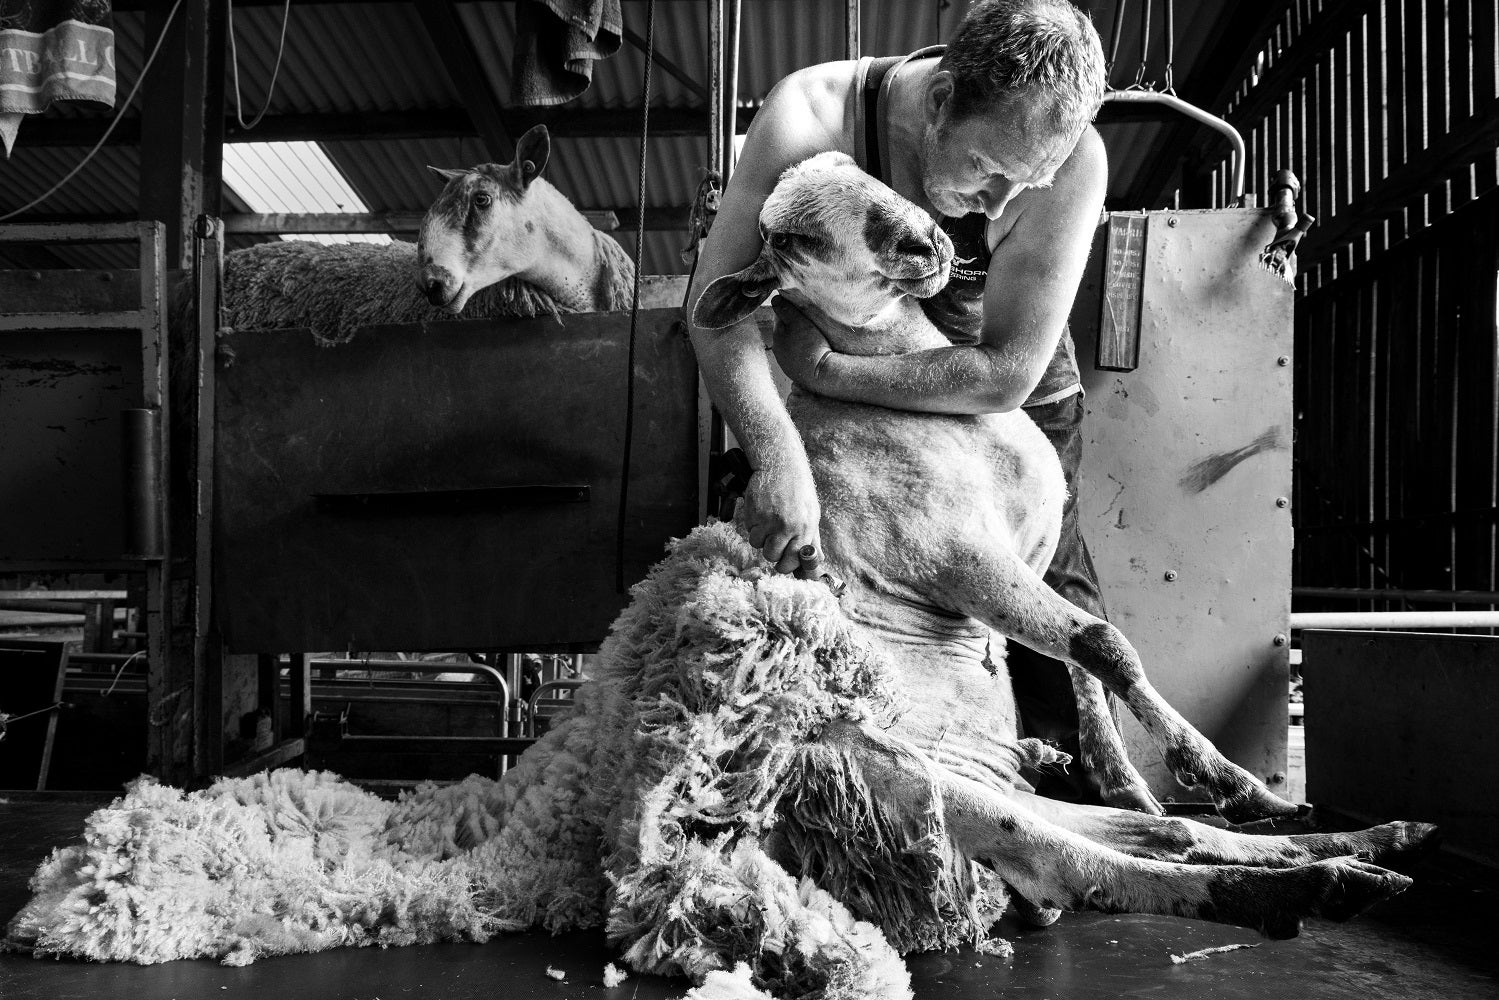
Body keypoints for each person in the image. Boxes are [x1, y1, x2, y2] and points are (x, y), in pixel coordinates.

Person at [685, 0, 1113, 803]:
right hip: (864, 404)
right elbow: (716, 307)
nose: (995, 206)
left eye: (1025, 185)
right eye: (986, 169)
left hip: (1000, 404)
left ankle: (1084, 816)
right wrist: (775, 456)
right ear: (942, 99)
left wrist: (827, 377)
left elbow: (1007, 371)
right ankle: (894, 804)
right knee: (858, 595)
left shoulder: (1073, 159)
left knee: (1045, 596)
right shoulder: (814, 117)